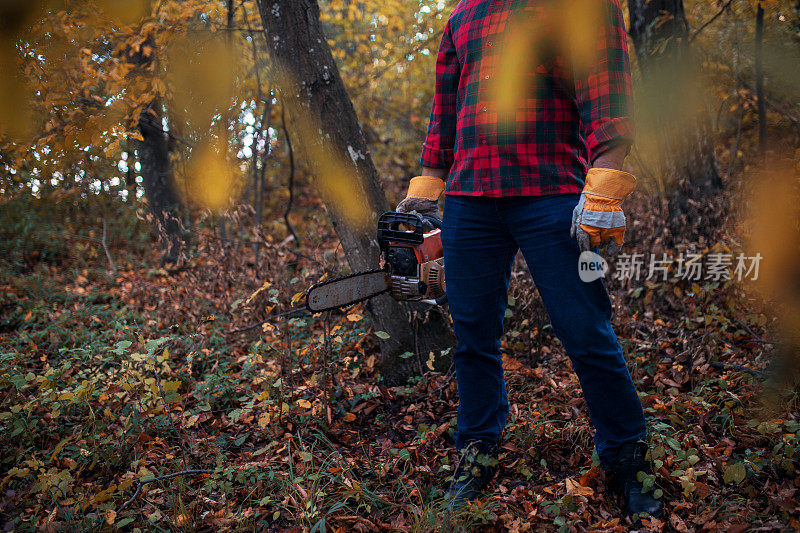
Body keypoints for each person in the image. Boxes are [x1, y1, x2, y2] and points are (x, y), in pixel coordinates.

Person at [396, 0, 663, 518]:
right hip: (470, 199)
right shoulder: (462, 15)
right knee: (472, 336)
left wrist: (605, 184)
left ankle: (629, 458)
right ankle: (476, 454)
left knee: (585, 330)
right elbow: (444, 113)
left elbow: (606, 92)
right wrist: (427, 186)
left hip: (551, 193)